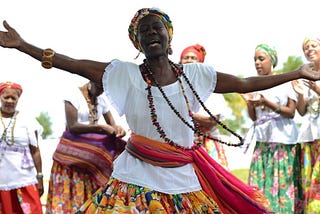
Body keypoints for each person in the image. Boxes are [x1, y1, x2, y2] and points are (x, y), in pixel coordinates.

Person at [0, 7, 319, 213]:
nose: (151, 32)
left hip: (182, 180)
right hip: (133, 177)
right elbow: (69, 64)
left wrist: (298, 73)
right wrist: (23, 45)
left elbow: (243, 82)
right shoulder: (122, 74)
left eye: (157, 28)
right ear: (138, 43)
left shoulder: (196, 74)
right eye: (144, 31)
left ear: (169, 39)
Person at [45, 80, 126, 213]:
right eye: (99, 87)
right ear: (91, 81)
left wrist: (118, 129)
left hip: (91, 162)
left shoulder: (101, 99)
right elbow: (73, 126)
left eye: (104, 89)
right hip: (71, 159)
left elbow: (113, 125)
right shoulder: (73, 95)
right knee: (69, 198)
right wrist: (100, 127)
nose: (101, 91)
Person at [241, 44, 303, 213]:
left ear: (272, 61)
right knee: (259, 185)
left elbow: (290, 112)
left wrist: (266, 102)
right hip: (263, 143)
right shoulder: (255, 84)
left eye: (261, 58)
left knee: (282, 184)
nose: (257, 63)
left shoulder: (286, 83)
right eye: (255, 59)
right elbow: (255, 118)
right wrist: (249, 103)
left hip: (282, 142)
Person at [180, 44, 230, 169]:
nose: (189, 61)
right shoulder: (173, 87)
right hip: (182, 145)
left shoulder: (211, 88)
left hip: (208, 145)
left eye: (193, 58)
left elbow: (211, 122)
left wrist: (186, 113)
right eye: (186, 58)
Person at [0, 81, 44, 214]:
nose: (9, 101)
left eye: (14, 98)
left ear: (18, 99)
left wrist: (40, 177)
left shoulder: (28, 121)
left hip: (24, 179)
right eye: (6, 97)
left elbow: (35, 151)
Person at [292, 36, 320, 213]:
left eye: (313, 45)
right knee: (309, 180)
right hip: (310, 136)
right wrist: (301, 94)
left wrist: (317, 90)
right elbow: (301, 111)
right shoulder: (307, 76)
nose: (309, 49)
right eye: (305, 48)